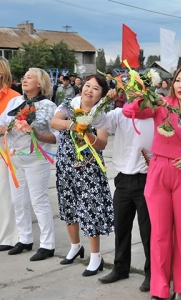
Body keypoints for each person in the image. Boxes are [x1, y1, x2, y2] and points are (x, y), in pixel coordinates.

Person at [122, 65, 181, 300]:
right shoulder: (162, 105)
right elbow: (129, 111)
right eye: (178, 81)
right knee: (160, 234)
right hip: (159, 171)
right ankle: (160, 289)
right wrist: (143, 96)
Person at [50, 74, 114, 276]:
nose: (89, 90)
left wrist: (86, 132)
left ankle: (96, 257)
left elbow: (102, 143)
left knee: (89, 209)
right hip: (66, 163)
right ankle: (75, 247)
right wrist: (73, 125)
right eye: (87, 85)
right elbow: (54, 122)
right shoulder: (70, 105)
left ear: (101, 94)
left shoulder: (102, 113)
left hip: (89, 168)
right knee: (68, 205)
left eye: (95, 88)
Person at [91, 106, 153, 292]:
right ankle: (120, 268)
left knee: (148, 230)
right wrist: (105, 100)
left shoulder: (154, 114)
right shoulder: (120, 113)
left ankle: (152, 273)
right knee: (121, 226)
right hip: (123, 179)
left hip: (146, 178)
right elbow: (97, 120)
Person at [0, 68, 58, 261]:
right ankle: (24, 239)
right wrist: (4, 128)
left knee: (38, 201)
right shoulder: (15, 102)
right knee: (18, 201)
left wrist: (29, 127)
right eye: (24, 77)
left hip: (36, 160)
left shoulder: (48, 106)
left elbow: (49, 132)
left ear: (40, 83)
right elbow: (4, 123)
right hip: (15, 159)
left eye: (29, 77)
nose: (24, 79)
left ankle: (47, 245)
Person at [0, 57, 20, 252]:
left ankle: (8, 236)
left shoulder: (13, 97)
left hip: (4, 150)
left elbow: (11, 126)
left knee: (4, 193)